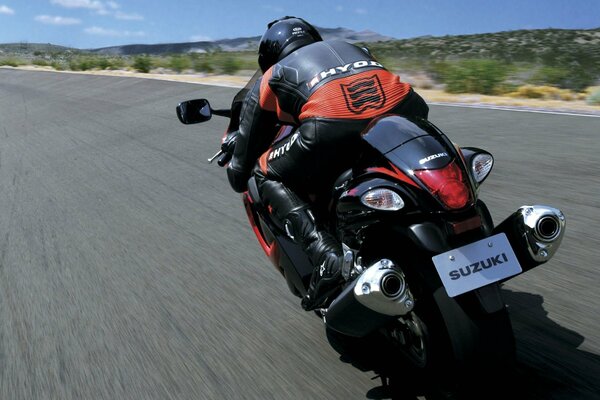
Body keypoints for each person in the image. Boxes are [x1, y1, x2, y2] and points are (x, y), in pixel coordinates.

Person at [222, 16, 429, 311]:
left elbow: (241, 170)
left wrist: (236, 168)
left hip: (331, 126)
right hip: (407, 106)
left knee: (264, 172)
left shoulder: (272, 75)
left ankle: (326, 257)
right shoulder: (354, 47)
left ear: (268, 56)